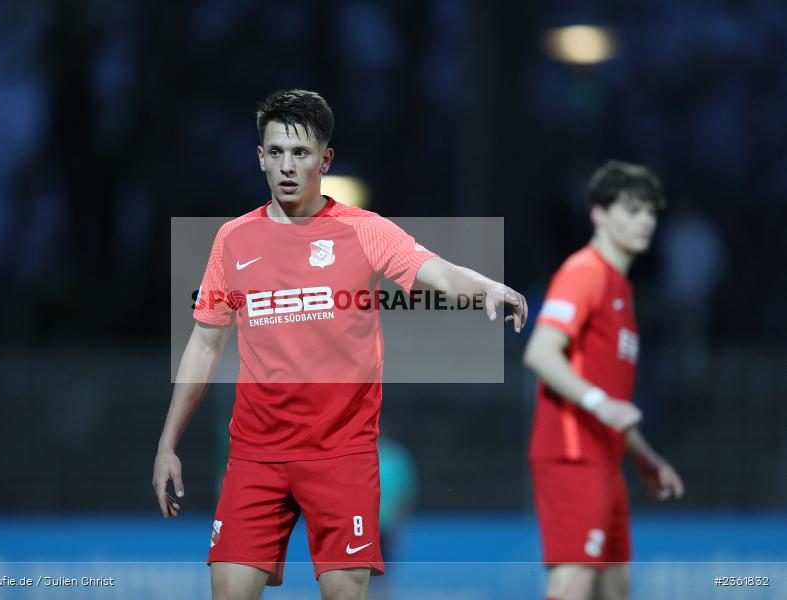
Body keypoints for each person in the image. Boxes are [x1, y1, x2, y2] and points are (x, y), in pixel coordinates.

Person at [153, 89, 528, 600]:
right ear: (260, 156)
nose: (288, 166)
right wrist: (167, 443)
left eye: (301, 153)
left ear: (324, 160)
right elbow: (204, 344)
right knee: (228, 590)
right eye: (277, 152)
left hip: (341, 452)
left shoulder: (363, 232)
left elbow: (433, 269)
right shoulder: (232, 239)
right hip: (256, 455)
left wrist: (485, 286)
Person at [524, 160, 685, 600]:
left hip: (606, 460)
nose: (645, 221)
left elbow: (612, 403)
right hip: (572, 454)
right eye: (632, 210)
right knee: (573, 581)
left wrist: (645, 456)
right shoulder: (585, 272)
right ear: (598, 213)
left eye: (651, 212)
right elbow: (539, 351)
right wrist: (600, 403)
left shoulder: (621, 290)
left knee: (615, 588)